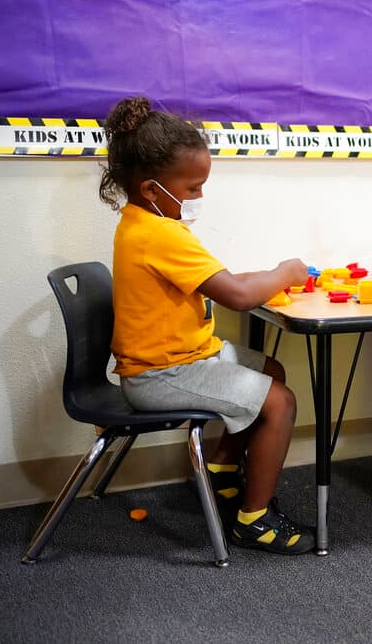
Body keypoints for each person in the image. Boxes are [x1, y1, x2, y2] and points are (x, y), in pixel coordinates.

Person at [98, 96, 314, 555]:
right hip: (162, 375)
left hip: (179, 358)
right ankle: (253, 521)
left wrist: (268, 276)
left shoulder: (141, 222)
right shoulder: (162, 234)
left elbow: (225, 280)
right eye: (193, 188)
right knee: (280, 402)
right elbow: (235, 294)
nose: (198, 197)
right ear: (154, 189)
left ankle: (218, 470)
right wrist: (286, 273)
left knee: (270, 371)